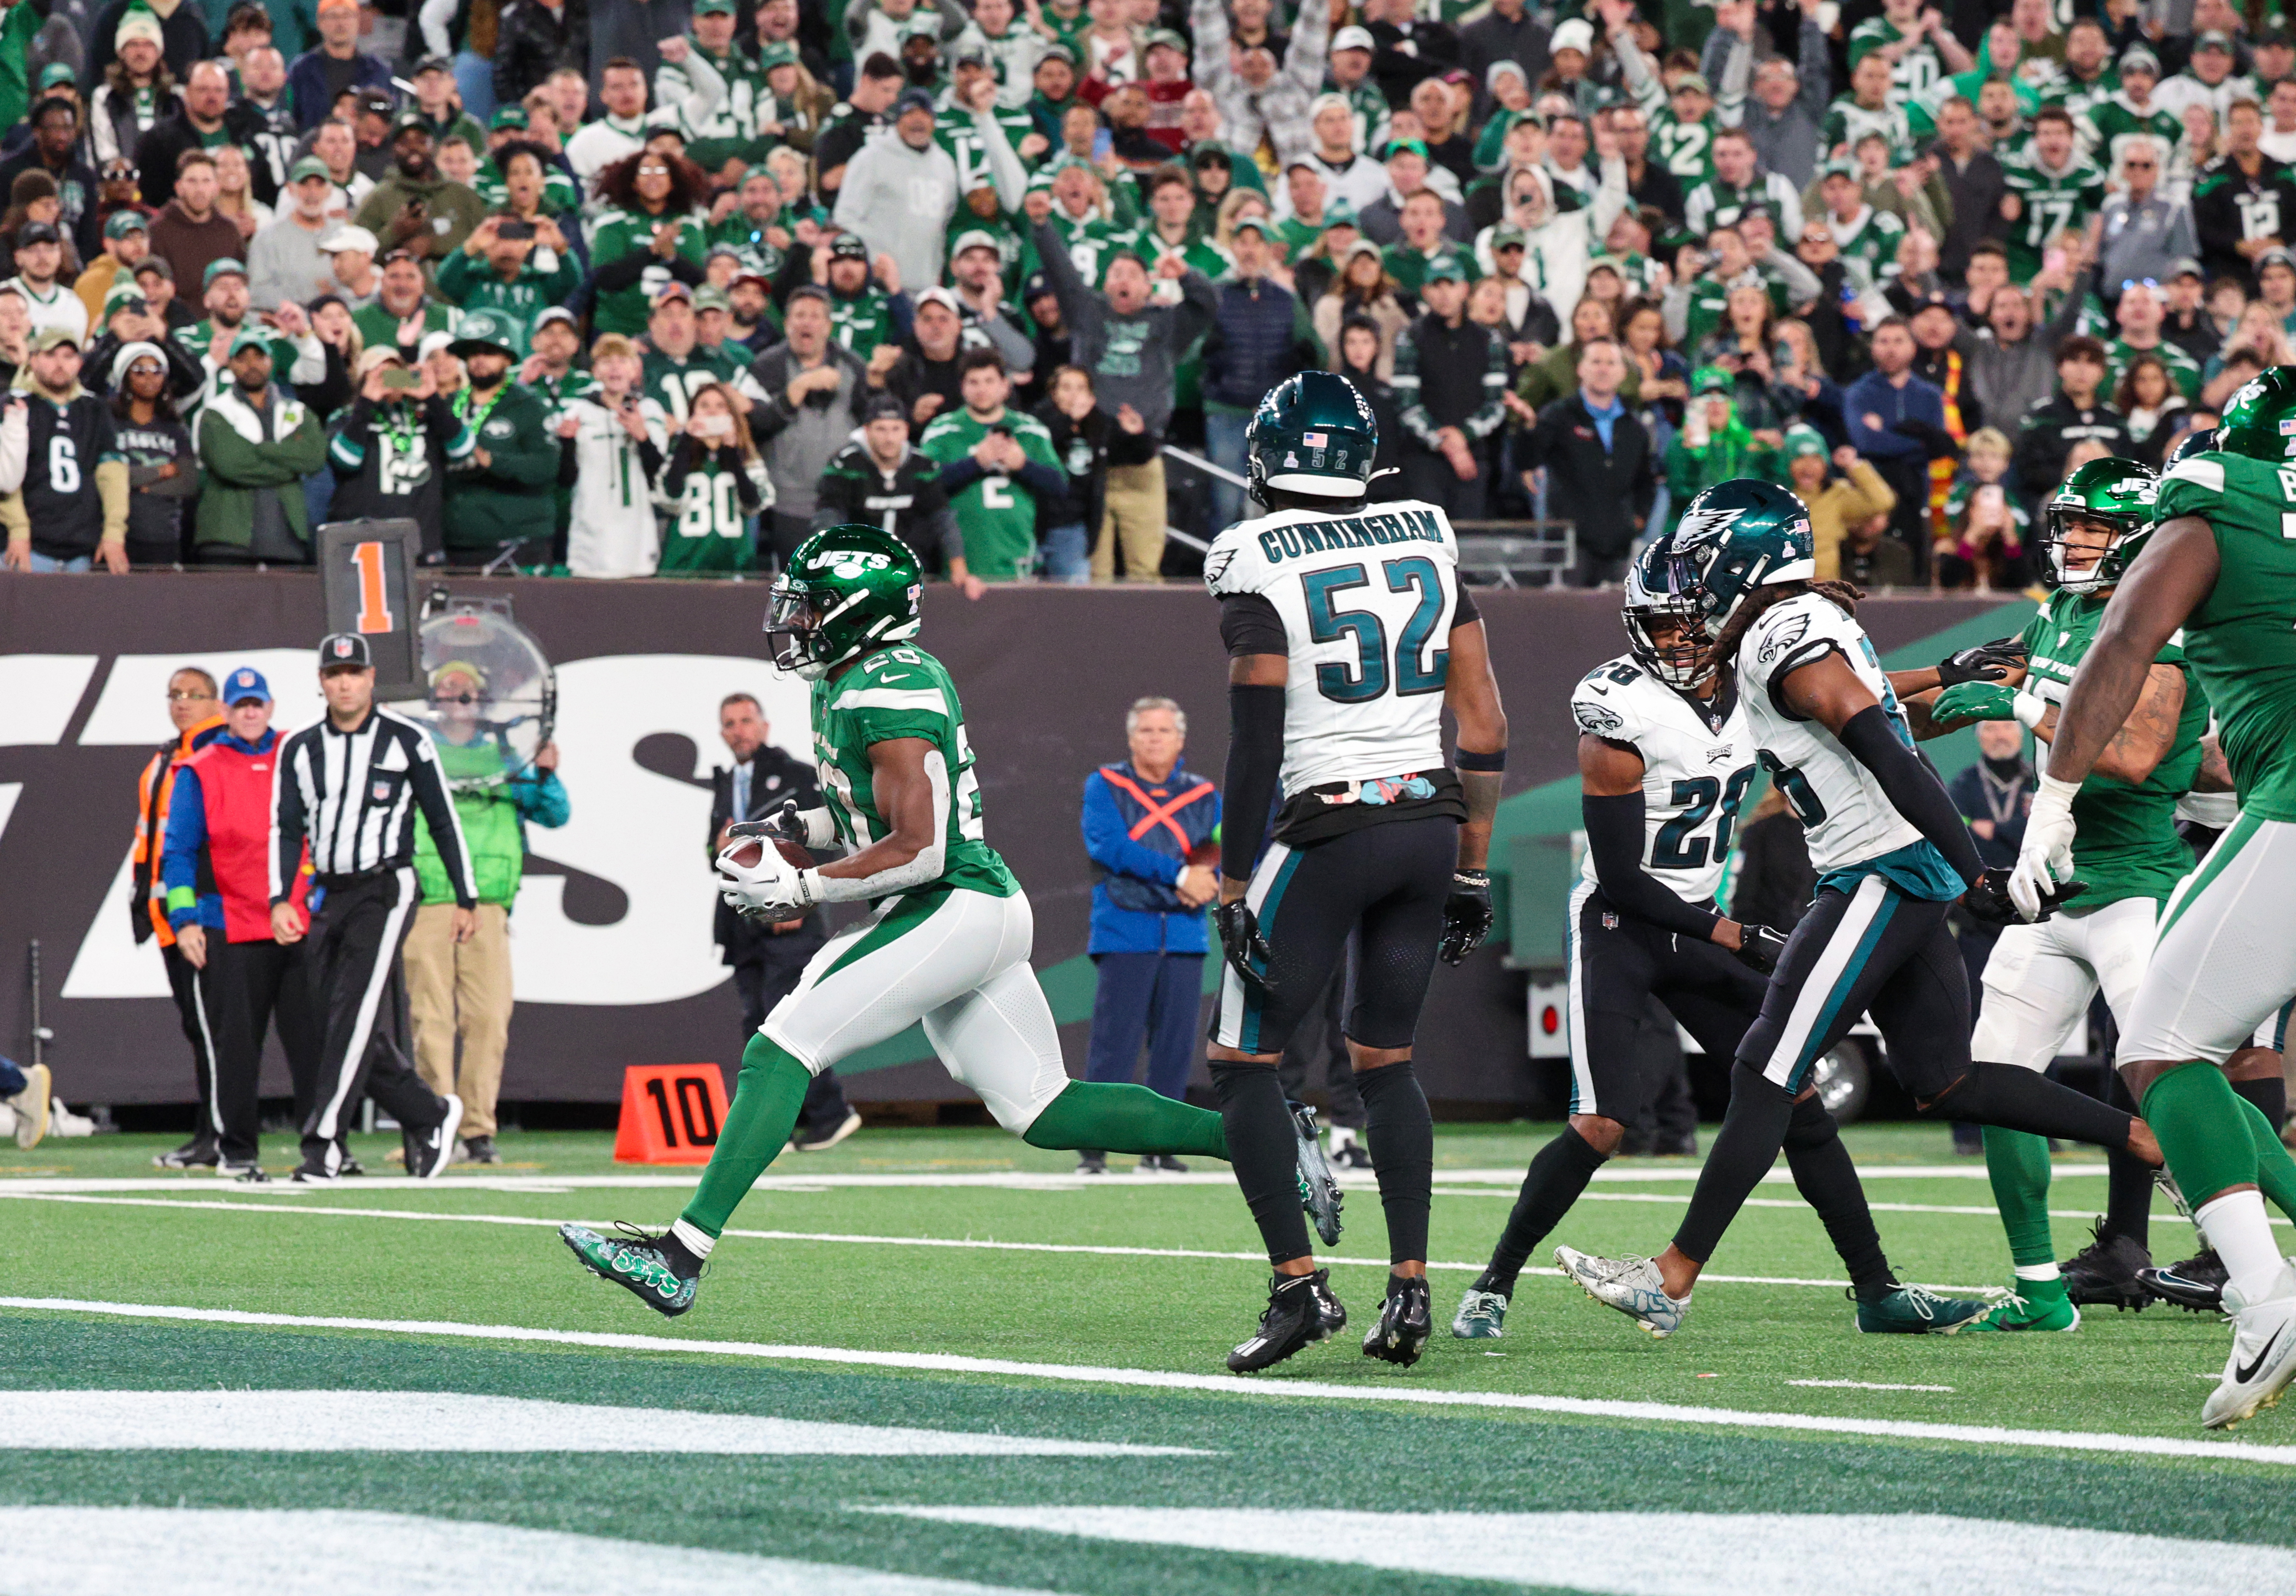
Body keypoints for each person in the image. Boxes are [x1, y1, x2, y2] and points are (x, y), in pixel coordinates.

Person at [562, 523, 1326, 1318]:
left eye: (813, 605)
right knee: (1044, 1108)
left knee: (781, 1044)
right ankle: (1266, 1135)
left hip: (948, 901)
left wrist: (805, 884)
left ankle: (679, 1254)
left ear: (858, 610)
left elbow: (920, 847)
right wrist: (794, 822)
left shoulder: (890, 684)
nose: (796, 620)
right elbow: (869, 811)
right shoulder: (854, 677)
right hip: (966, 908)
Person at [1552, 478, 2164, 1344]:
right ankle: (2145, 1137)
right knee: (1942, 1076)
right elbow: (1879, 708)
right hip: (1893, 865)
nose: (1692, 581)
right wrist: (1947, 682)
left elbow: (1881, 745)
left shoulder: (1781, 630)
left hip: (1880, 866)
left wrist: (1974, 869)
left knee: (1768, 1061)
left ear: (1741, 556)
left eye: (1702, 558)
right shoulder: (1793, 623)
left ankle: (1671, 1275)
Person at [1452, 541, 1981, 1342]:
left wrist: (1944, 672)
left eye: (1693, 623)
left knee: (1793, 1092)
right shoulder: (1615, 709)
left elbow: (1859, 695)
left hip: (1699, 920)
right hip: (1621, 926)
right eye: (1663, 626)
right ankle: (1493, 1281)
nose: (1681, 642)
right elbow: (1626, 881)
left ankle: (1877, 1286)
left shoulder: (1754, 680)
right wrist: (1737, 933)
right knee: (1603, 1123)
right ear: (1638, 626)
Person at [1198, 368, 1506, 1373]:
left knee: (1242, 1065)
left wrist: (1236, 879)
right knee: (1387, 1066)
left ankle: (1299, 1289)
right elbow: (1487, 726)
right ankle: (1410, 1291)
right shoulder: (1425, 528)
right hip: (1428, 824)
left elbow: (1253, 739)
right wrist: (1472, 870)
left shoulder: (1250, 553)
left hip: (1327, 829)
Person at [1914, 456, 2236, 1323]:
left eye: (2095, 527)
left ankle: (2260, 1257)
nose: (2076, 541)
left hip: (2137, 889)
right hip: (2053, 893)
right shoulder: (2055, 614)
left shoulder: (2164, 627)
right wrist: (1885, 690)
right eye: (2070, 525)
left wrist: (2016, 706)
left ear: (2135, 539)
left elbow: (2130, 757)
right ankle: (2040, 1288)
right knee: (1994, 1080)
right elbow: (1951, 691)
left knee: (2178, 1081)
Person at [271, 632, 474, 1184]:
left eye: (354, 672)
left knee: (353, 1013)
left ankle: (324, 1147)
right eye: (335, 673)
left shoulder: (407, 741)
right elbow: (286, 829)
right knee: (333, 1018)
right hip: (328, 893)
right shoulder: (300, 748)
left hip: (386, 889)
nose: (344, 682)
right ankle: (429, 1114)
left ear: (370, 678)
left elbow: (443, 820)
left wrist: (465, 894)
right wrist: (278, 899)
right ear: (322, 681)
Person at [402, 660, 568, 1166]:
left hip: (491, 905)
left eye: (466, 687)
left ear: (480, 697)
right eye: (447, 687)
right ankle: (437, 1125)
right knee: (431, 1017)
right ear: (434, 698)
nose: (456, 694)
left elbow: (555, 813)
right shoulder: (420, 751)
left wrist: (545, 772)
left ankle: (477, 1130)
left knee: (489, 1019)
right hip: (433, 897)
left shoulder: (505, 755)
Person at [159, 665, 317, 1182]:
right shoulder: (199, 769)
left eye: (258, 703)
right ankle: (237, 1150)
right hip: (228, 925)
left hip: (294, 922)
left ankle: (325, 1146)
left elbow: (321, 835)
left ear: (270, 708)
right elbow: (177, 853)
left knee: (312, 1044)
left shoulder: (298, 756)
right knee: (236, 1048)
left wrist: (312, 900)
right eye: (240, 704)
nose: (250, 712)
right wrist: (184, 921)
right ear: (225, 711)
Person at [703, 691, 859, 1153]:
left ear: (764, 726)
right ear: (721, 733)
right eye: (729, 723)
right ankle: (783, 1126)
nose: (739, 730)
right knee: (758, 1022)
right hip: (742, 924)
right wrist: (715, 848)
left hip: (789, 920)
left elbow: (823, 840)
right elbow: (720, 859)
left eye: (746, 720)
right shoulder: (725, 782)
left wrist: (799, 901)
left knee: (785, 1022)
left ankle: (829, 1112)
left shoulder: (794, 776)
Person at [1077, 696, 1219, 1176]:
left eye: (1164, 731)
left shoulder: (1202, 794)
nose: (1154, 739)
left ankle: (1159, 1149)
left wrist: (1204, 877)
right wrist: (1182, 877)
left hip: (1185, 936)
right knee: (1114, 1047)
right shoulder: (1105, 785)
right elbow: (1111, 847)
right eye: (1146, 731)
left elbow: (1221, 845)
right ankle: (1094, 1151)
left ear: (1180, 739)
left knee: (1176, 1049)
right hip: (1125, 932)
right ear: (1131, 738)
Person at [1029, 219, 1214, 580]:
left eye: (1133, 274)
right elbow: (1062, 272)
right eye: (1115, 273)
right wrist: (1041, 225)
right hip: (1087, 462)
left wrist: (1186, 275)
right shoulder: (1088, 313)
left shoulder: (1166, 323)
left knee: (1145, 571)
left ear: (1148, 286)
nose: (1123, 280)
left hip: (1142, 462)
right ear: (1104, 284)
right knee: (1092, 575)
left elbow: (1207, 306)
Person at [132, 665, 226, 1169]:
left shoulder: (217, 752)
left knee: (212, 1027)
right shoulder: (167, 757)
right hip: (170, 911)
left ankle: (220, 1132)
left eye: (195, 694)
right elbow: (152, 839)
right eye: (175, 694)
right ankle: (209, 1131)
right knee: (198, 1027)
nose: (182, 702)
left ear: (216, 702)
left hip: (203, 911)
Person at [743, 286, 871, 567]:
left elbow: (871, 428)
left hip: (843, 502)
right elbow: (756, 427)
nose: (807, 323)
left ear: (828, 327)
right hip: (786, 503)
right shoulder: (767, 366)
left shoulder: (853, 366)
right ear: (787, 324)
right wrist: (796, 390)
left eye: (815, 317)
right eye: (799, 316)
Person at [919, 346, 1064, 581]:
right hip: (961, 559)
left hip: (1017, 554)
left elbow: (1059, 486)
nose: (982, 390)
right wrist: (975, 463)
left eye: (989, 381)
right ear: (962, 387)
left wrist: (1024, 466)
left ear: (1005, 386)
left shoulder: (1030, 431)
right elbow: (924, 487)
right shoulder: (942, 431)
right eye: (973, 382)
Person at [1521, 334, 1652, 587]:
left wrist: (1635, 520)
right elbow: (1528, 459)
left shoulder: (1635, 428)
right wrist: (1528, 429)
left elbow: (1646, 480)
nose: (1603, 369)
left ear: (1623, 372)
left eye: (1611, 363)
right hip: (1571, 546)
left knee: (1619, 623)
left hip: (1619, 547)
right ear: (1581, 369)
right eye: (1596, 361)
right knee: (1569, 622)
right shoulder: (1557, 417)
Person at [192, 327, 326, 564]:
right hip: (226, 538)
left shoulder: (298, 412)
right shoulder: (214, 412)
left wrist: (262, 451)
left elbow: (314, 458)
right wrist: (287, 467)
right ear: (230, 364)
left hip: (287, 539)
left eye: (259, 357)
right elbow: (230, 466)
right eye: (242, 359)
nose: (251, 365)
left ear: (271, 361)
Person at [0, 329, 129, 573]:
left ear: (80, 363)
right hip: (26, 546)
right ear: (33, 359)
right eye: (51, 355)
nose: (60, 364)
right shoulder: (14, 404)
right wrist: (18, 529)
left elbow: (112, 475)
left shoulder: (95, 409)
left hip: (81, 548)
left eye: (68, 356)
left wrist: (114, 532)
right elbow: (5, 475)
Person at [326, 343, 472, 553]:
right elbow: (346, 460)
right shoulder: (346, 418)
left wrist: (432, 397)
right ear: (363, 380)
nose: (389, 380)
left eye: (396, 374)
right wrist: (366, 404)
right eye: (380, 374)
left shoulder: (428, 416)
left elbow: (462, 450)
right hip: (363, 545)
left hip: (422, 544)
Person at [438, 309, 557, 568]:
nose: (480, 359)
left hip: (516, 544)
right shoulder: (448, 404)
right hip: (455, 543)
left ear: (507, 358)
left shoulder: (529, 405)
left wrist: (491, 460)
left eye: (489, 352)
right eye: (472, 352)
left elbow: (547, 468)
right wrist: (406, 358)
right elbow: (391, 379)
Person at [813, 390, 968, 583]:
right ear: (867, 431)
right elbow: (829, 514)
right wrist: (829, 561)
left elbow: (942, 517)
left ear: (906, 430)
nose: (889, 438)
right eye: (881, 429)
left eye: (896, 429)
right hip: (856, 573)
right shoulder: (846, 464)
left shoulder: (922, 466)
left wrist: (958, 566)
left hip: (911, 572)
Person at [556, 332, 670, 578]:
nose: (615, 367)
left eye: (623, 360)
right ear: (595, 371)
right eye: (607, 361)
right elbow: (565, 480)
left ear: (634, 370)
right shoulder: (578, 412)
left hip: (637, 533)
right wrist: (566, 444)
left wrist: (643, 438)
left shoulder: (649, 411)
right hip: (590, 532)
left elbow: (661, 476)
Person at [654, 380, 770, 574]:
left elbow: (753, 503)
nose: (712, 411)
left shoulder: (746, 456)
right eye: (704, 405)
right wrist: (686, 439)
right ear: (693, 412)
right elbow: (670, 495)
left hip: (733, 562)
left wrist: (732, 453)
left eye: (720, 406)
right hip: (684, 563)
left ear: (731, 414)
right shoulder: (679, 451)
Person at [110, 338, 199, 565]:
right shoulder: (111, 422)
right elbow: (113, 474)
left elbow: (188, 482)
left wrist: (142, 485)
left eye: (156, 370)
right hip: (119, 534)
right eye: (140, 371)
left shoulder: (174, 427)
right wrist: (161, 471)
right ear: (125, 376)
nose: (150, 378)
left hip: (164, 535)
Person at [286, 0, 394, 133]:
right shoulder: (302, 69)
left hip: (367, 151)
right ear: (320, 22)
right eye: (333, 16)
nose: (340, 23)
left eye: (347, 16)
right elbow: (290, 116)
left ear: (358, 21)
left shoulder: (378, 70)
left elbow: (389, 119)